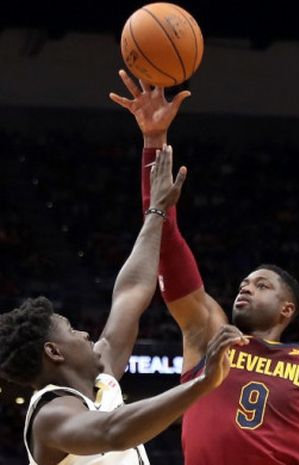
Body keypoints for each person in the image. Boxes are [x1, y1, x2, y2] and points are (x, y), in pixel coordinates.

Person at [109, 69, 299, 465]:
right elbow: (165, 245)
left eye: (261, 284)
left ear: (287, 309)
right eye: (245, 282)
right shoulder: (211, 337)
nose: (246, 287)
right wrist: (154, 141)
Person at [0, 146, 249, 465]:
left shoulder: (101, 381)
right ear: (54, 352)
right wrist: (202, 384)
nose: (86, 334)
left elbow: (131, 292)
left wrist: (157, 211)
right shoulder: (50, 414)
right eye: (72, 330)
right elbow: (113, 431)